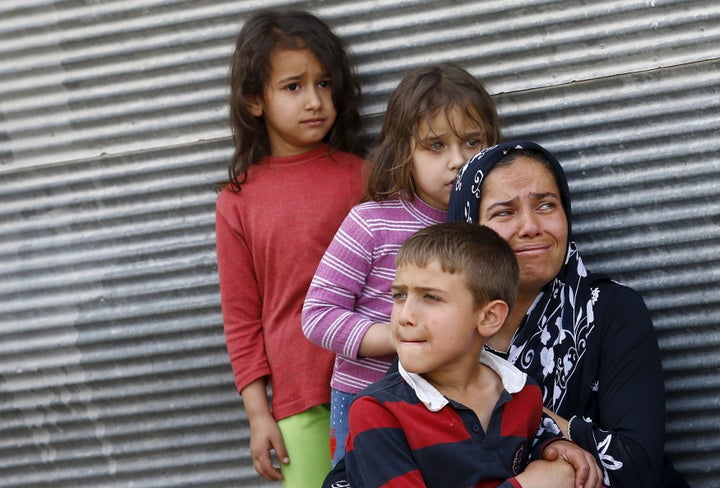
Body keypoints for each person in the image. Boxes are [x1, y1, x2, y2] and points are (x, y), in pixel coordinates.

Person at [448, 140, 686, 487]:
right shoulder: (440, 326)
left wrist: (504, 410)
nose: (530, 226)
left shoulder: (610, 311)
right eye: (504, 212)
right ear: (468, 230)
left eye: (546, 205)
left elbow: (636, 464)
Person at [302, 62, 502, 465]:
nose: (457, 160)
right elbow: (318, 315)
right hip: (367, 397)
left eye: (471, 142)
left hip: (456, 404)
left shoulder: (488, 228)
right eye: (435, 145)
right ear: (403, 151)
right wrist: (401, 337)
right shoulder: (371, 222)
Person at [214, 10, 366, 487]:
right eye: (294, 87)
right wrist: (259, 416)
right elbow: (242, 319)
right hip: (300, 403)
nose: (315, 101)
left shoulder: (362, 176)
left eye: (324, 83)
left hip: (377, 385)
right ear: (255, 101)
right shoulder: (237, 201)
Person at [345, 222, 603, 488]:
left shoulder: (522, 394)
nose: (405, 316)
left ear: (489, 317)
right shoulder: (377, 412)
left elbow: (523, 450)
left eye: (431, 298)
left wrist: (552, 446)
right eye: (400, 295)